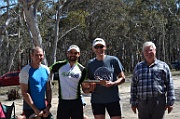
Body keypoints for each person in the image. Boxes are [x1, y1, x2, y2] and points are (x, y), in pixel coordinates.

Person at [130, 41, 176, 119]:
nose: (148, 52)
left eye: (150, 50)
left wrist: (170, 102)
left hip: (158, 102)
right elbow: (134, 86)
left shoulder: (163, 66)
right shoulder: (138, 67)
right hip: (142, 102)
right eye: (146, 51)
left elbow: (170, 85)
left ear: (155, 50)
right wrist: (133, 103)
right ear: (143, 53)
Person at [82, 38, 126, 119]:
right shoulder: (90, 64)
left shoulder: (113, 60)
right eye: (96, 47)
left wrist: (113, 83)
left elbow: (122, 78)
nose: (99, 49)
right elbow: (86, 82)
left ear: (105, 47)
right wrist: (94, 84)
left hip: (113, 99)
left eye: (101, 47)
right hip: (97, 100)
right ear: (93, 49)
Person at [50, 45, 87, 119]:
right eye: (71, 52)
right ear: (67, 53)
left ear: (79, 54)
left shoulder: (82, 69)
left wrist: (90, 89)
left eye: (75, 53)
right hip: (63, 101)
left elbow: (84, 88)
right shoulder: (59, 65)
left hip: (76, 102)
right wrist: (49, 82)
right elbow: (48, 70)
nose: (73, 55)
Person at [19, 46, 52, 119]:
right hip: (30, 109)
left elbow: (48, 90)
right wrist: (35, 109)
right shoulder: (25, 71)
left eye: (41, 55)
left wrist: (48, 107)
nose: (39, 57)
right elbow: (24, 93)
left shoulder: (46, 69)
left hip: (43, 108)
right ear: (32, 56)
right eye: (36, 55)